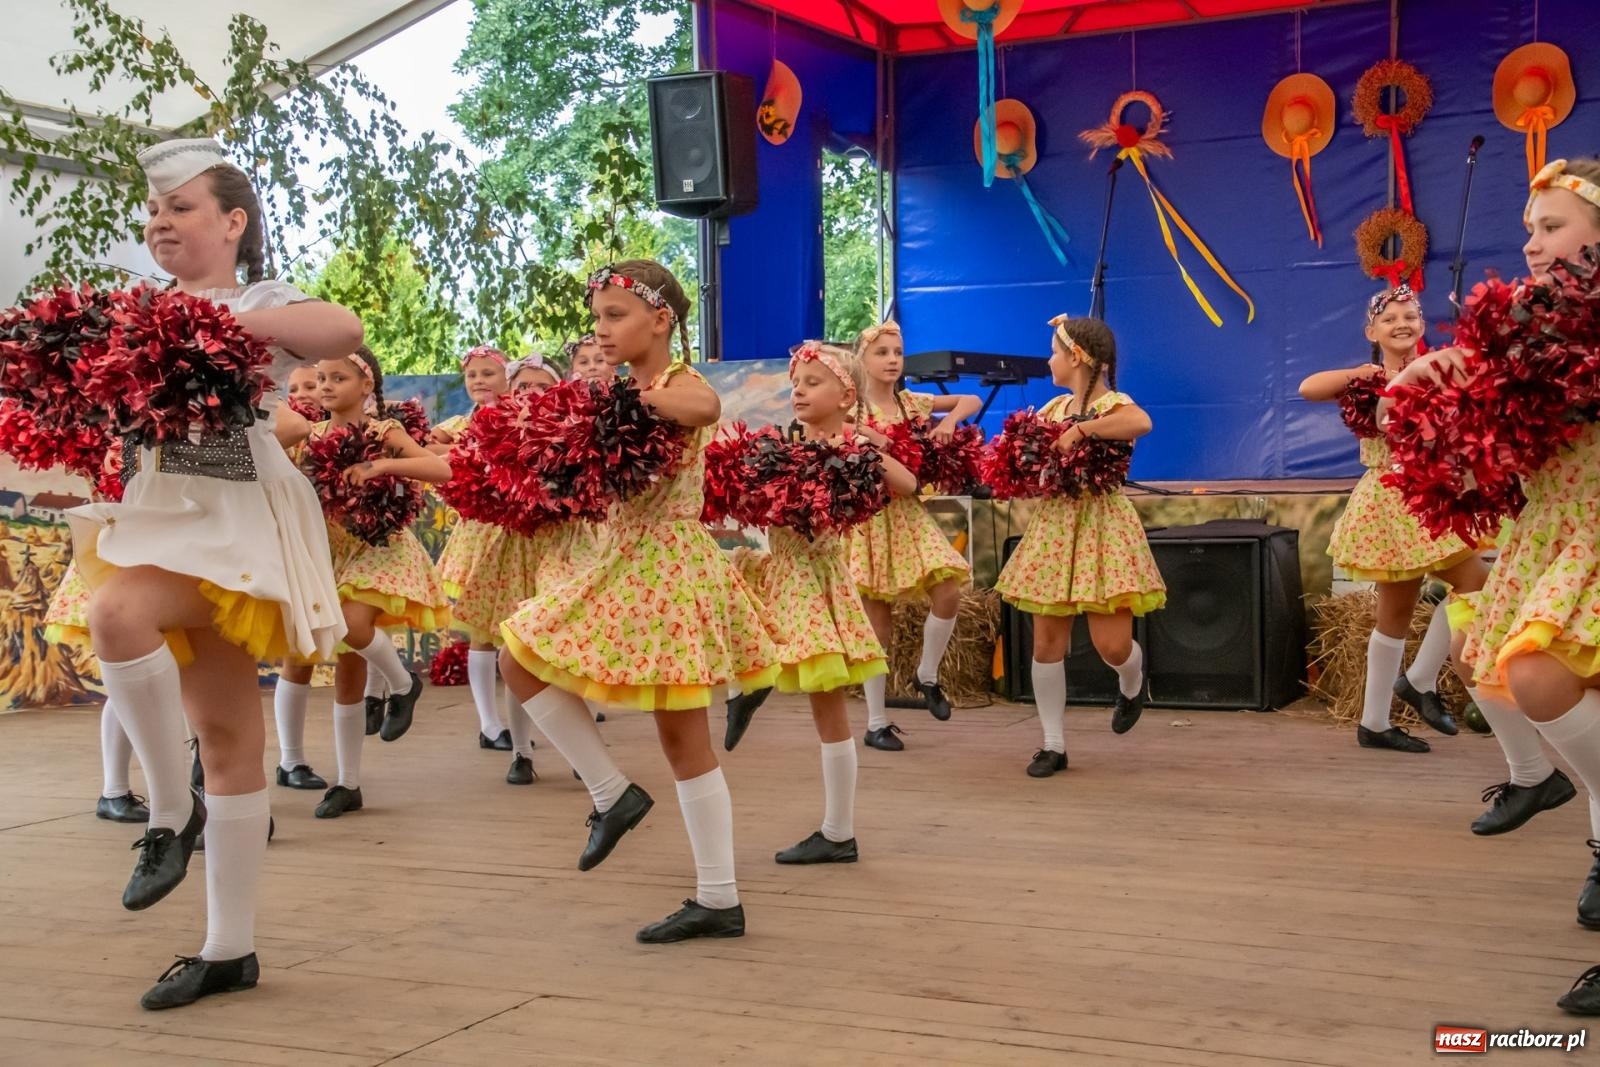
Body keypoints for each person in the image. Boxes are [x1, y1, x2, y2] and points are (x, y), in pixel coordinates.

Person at [69, 138, 359, 1009]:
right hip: (162, 511)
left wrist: (224, 321)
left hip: (237, 521)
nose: (162, 221)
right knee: (229, 741)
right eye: (155, 211)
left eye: (182, 207)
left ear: (233, 222)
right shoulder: (137, 309)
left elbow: (339, 330)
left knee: (117, 612)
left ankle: (168, 811)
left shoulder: (258, 297)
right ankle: (229, 949)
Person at [498, 259, 780, 943]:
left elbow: (704, 409)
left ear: (660, 320)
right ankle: (612, 792)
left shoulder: (676, 383)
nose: (602, 330)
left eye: (615, 315)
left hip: (668, 571)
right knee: (519, 655)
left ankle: (718, 895)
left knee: (683, 737)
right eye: (598, 317)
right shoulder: (621, 389)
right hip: (621, 563)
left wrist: (621, 403)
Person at [1389, 157, 1600, 1003]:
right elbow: (1485, 446)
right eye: (1530, 229)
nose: (1534, 242)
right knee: (1520, 677)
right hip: (1554, 530)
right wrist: (1432, 386)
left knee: (1538, 675)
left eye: (1552, 226)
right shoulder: (1523, 324)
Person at [729, 342, 914, 864]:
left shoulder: (850, 448)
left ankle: (838, 832)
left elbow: (909, 483)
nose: (799, 390)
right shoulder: (783, 449)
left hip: (814, 583)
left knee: (827, 706)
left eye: (813, 382)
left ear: (846, 394)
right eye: (797, 383)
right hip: (774, 573)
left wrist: (864, 442)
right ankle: (748, 689)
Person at [274, 346, 450, 817]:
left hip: (377, 547)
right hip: (327, 553)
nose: (327, 387)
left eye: (339, 378)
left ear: (366, 385)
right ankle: (348, 784)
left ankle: (402, 683)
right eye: (322, 379)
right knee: (344, 667)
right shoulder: (305, 437)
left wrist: (382, 465)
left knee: (353, 626)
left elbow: (441, 468)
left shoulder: (383, 432)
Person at [992, 315, 1165, 777]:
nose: (1049, 358)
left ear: (1078, 357)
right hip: (1053, 530)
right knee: (1046, 643)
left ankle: (1132, 680)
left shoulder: (1114, 403)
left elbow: (1140, 422)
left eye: (1054, 350)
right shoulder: (1051, 408)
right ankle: (1052, 744)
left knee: (1112, 646)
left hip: (1102, 529)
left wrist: (1083, 429)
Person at [849, 321, 980, 750]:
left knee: (948, 589)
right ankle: (875, 722)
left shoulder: (912, 403)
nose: (892, 360)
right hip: (870, 520)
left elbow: (972, 398)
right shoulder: (853, 410)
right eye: (882, 352)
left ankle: (927, 673)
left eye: (898, 353)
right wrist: (865, 437)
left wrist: (949, 422)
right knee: (877, 623)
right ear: (862, 360)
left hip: (909, 515)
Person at [429, 346, 517, 750]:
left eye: (489, 373)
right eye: (472, 375)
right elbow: (427, 451)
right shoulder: (461, 425)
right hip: (480, 536)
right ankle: (490, 722)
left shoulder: (521, 422)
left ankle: (527, 726)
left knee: (518, 633)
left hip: (519, 535)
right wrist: (462, 455)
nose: (480, 381)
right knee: (483, 631)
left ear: (507, 378)